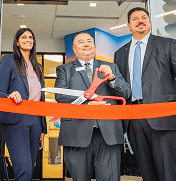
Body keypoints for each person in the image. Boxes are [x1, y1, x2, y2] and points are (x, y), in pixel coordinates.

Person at [114, 7, 176, 181]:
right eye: (135, 19)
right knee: (146, 171)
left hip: (162, 116)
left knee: (168, 171)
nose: (140, 21)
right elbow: (120, 88)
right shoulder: (120, 54)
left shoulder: (167, 44)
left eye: (144, 17)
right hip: (133, 118)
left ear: (150, 22)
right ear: (129, 25)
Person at [55, 31, 130, 181]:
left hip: (108, 133)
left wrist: (113, 79)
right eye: (81, 42)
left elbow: (126, 93)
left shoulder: (111, 67)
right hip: (76, 133)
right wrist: (87, 103)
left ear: (95, 47)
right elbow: (60, 95)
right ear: (74, 49)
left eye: (89, 41)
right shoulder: (64, 69)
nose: (86, 44)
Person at [0, 28, 46, 181]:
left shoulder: (38, 67)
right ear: (17, 42)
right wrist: (10, 95)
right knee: (23, 169)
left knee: (30, 168)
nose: (28, 39)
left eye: (31, 37)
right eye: (23, 37)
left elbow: (41, 99)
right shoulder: (9, 61)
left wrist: (43, 129)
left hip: (35, 120)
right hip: (16, 118)